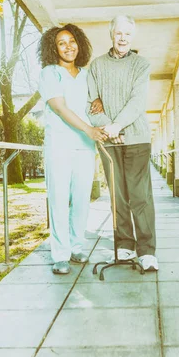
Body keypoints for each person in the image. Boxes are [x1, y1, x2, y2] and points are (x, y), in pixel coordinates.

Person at [87, 15, 158, 271]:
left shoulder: (141, 65)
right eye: (119, 33)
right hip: (109, 142)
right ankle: (125, 246)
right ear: (111, 34)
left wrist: (117, 126)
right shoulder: (96, 67)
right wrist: (110, 129)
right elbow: (92, 104)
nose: (123, 38)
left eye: (128, 33)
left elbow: (138, 102)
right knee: (118, 197)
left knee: (140, 197)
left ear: (133, 36)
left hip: (136, 138)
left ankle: (147, 251)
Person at [38, 24, 107, 274]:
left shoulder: (87, 75)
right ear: (53, 48)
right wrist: (89, 129)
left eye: (72, 41)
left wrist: (98, 99)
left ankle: (77, 246)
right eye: (61, 43)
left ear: (80, 43)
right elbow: (59, 107)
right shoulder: (50, 73)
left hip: (84, 148)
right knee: (58, 199)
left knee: (80, 200)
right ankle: (60, 254)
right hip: (59, 146)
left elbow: (94, 98)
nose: (68, 46)